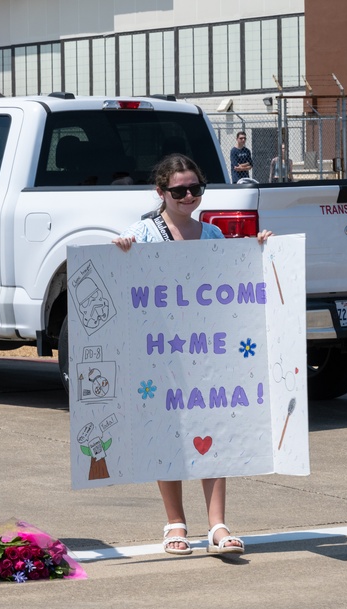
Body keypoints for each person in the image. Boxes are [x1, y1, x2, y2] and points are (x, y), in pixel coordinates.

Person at [113, 154, 272, 556]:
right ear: (160, 192)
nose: (187, 196)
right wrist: (123, 251)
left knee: (212, 431)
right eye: (178, 190)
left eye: (194, 189)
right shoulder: (144, 234)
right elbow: (120, 278)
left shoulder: (214, 236)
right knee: (167, 433)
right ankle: (175, 523)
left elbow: (237, 281)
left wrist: (259, 251)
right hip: (161, 355)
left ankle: (217, 525)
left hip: (208, 354)